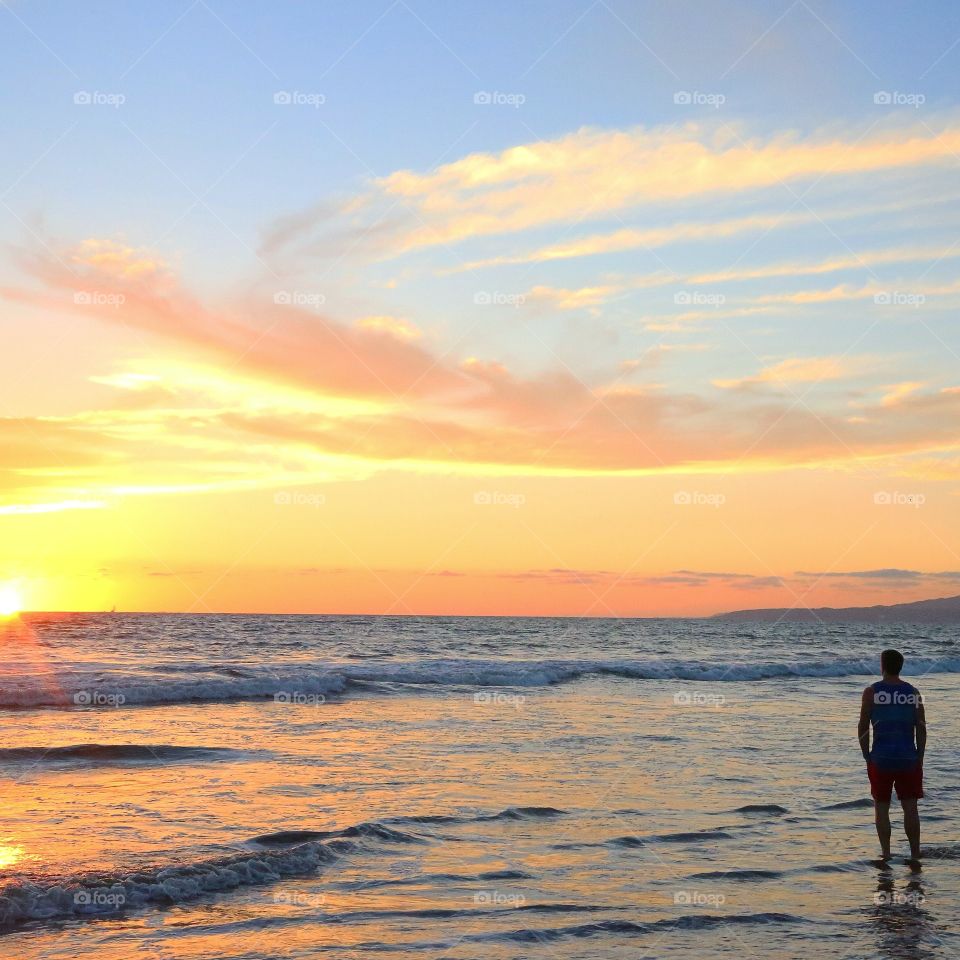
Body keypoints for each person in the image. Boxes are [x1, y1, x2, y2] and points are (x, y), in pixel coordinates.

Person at [858, 649, 926, 861]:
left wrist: (866, 754)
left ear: (882, 666)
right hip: (908, 757)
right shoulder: (913, 693)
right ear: (901, 666)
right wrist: (920, 756)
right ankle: (915, 854)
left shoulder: (871, 692)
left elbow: (863, 726)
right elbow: (921, 727)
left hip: (881, 757)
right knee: (910, 808)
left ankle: (886, 854)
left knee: (881, 808)